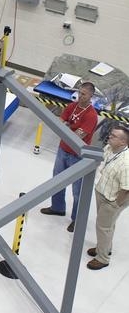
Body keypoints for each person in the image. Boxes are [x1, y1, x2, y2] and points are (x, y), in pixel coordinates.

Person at [39, 81, 99, 232]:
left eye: (84, 94)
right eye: (79, 92)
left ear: (91, 95)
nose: (80, 96)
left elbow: (78, 136)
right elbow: (59, 124)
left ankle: (77, 219)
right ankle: (58, 207)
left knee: (78, 191)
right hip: (63, 150)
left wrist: (66, 127)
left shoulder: (91, 115)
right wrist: (67, 128)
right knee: (57, 180)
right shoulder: (72, 106)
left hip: (78, 156)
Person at [87, 125, 129, 270]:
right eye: (110, 135)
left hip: (113, 198)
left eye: (114, 136)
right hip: (103, 190)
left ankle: (103, 258)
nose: (109, 137)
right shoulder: (109, 148)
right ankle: (103, 247)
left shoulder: (126, 163)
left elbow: (126, 188)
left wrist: (116, 204)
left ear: (123, 142)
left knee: (103, 227)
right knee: (107, 225)